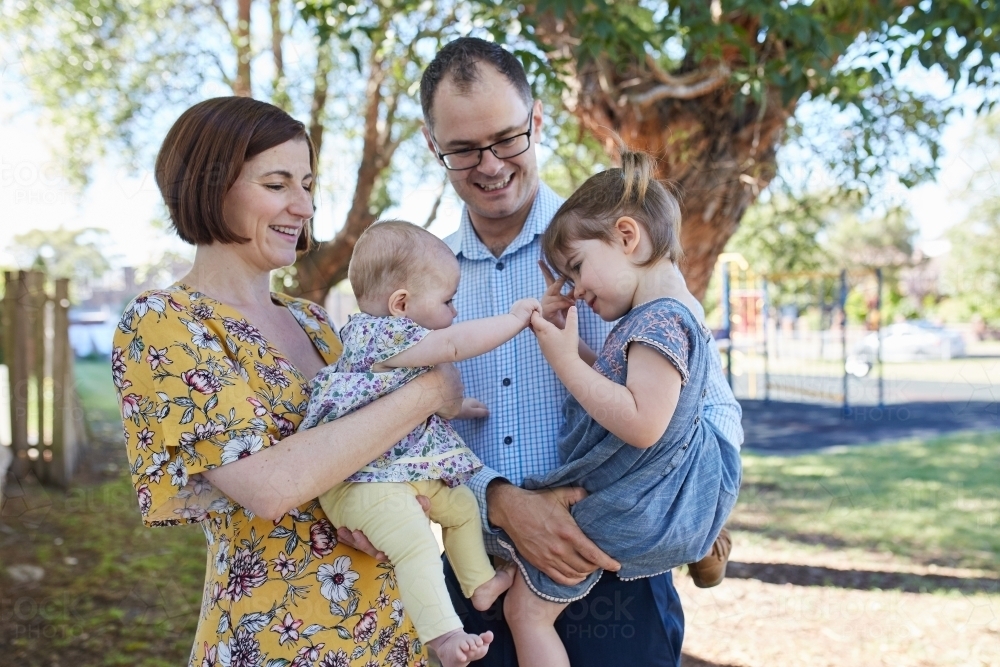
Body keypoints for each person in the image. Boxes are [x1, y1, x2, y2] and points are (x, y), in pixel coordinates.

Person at [419, 37, 745, 666]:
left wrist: (686, 515)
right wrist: (498, 499)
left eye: (507, 138)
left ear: (537, 121)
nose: (488, 165)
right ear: (434, 145)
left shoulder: (610, 251)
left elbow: (712, 410)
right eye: (462, 149)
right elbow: (411, 432)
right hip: (479, 578)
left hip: (621, 578)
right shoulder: (422, 285)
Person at [114, 97, 460, 666]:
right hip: (276, 639)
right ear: (210, 185)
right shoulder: (165, 322)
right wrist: (428, 393)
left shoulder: (315, 322)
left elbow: (373, 454)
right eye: (277, 184)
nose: (303, 205)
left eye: (306, 183)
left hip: (388, 635)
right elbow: (268, 487)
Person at [500, 145, 742, 667]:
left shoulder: (657, 322)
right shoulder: (658, 318)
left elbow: (641, 423)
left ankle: (698, 532)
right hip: (664, 491)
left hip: (649, 501)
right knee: (525, 556)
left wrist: (566, 364)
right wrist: (570, 345)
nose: (574, 288)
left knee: (525, 611)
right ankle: (702, 539)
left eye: (577, 266)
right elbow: (618, 381)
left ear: (627, 237)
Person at [299, 220, 540, 667]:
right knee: (416, 542)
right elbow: (452, 347)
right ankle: (444, 637)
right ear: (402, 304)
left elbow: (408, 397)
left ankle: (479, 584)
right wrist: (514, 320)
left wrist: (459, 406)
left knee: (462, 507)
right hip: (362, 483)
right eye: (447, 301)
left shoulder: (384, 340)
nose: (453, 312)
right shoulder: (383, 332)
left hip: (393, 475)